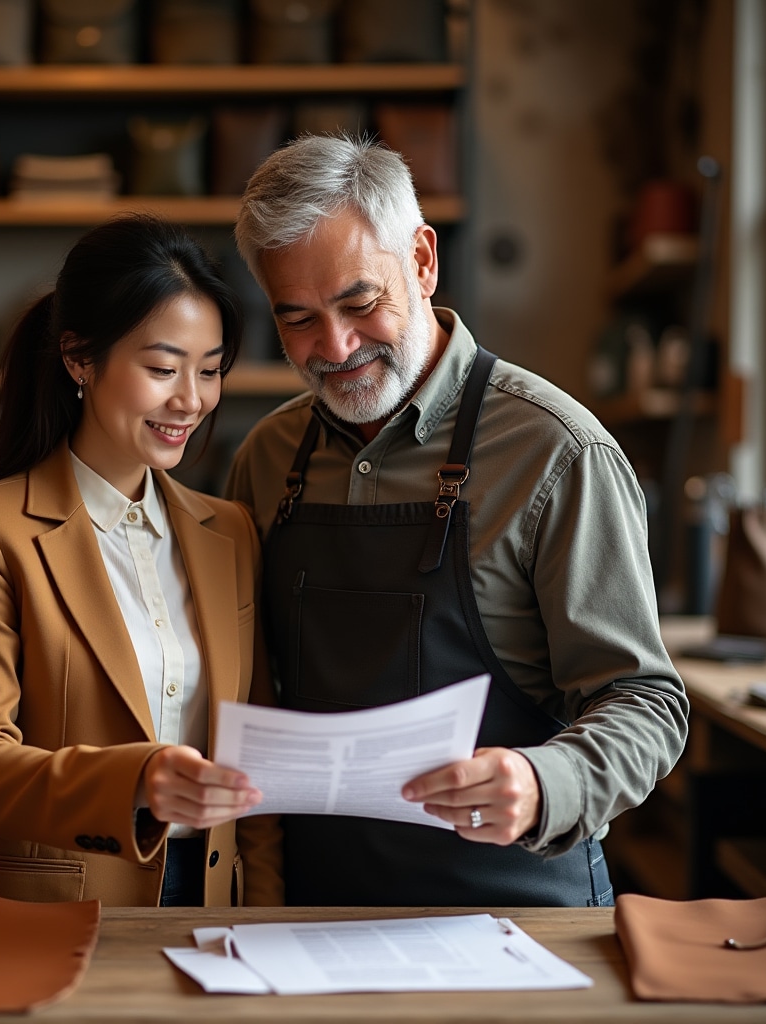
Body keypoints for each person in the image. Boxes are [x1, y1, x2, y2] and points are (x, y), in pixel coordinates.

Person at [225, 133, 689, 908]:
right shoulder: (268, 457)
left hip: (515, 910)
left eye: (359, 303)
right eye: (297, 318)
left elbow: (645, 701)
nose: (333, 347)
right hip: (309, 912)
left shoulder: (556, 452)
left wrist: (547, 782)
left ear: (423, 260)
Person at [0, 214, 282, 908]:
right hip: (50, 908)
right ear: (79, 359)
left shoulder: (229, 532)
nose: (191, 400)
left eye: (210, 372)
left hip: (211, 904)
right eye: (162, 368)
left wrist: (262, 917)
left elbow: (251, 762)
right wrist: (138, 780)